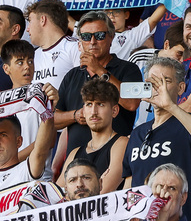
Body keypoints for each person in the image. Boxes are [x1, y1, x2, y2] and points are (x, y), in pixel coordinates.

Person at [121, 56, 191, 221]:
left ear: (181, 88)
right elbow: (129, 184)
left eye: (165, 81)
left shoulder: (188, 122)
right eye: (153, 82)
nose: (158, 88)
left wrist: (171, 107)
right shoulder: (137, 132)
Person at [55, 12, 143, 144]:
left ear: (111, 37)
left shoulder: (130, 68)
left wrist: (101, 71)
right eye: (86, 37)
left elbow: (132, 104)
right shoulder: (72, 74)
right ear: (80, 41)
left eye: (99, 36)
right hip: (76, 159)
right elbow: (53, 120)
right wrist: (75, 115)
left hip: (114, 155)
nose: (92, 42)